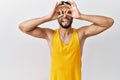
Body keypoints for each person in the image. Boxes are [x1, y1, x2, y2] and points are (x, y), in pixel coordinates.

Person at [19, 0, 114, 80]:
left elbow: (108, 22)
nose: (65, 16)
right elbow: (23, 27)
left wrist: (81, 16)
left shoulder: (80, 34)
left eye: (68, 12)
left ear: (73, 15)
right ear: (56, 16)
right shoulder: (50, 35)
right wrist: (47, 17)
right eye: (60, 13)